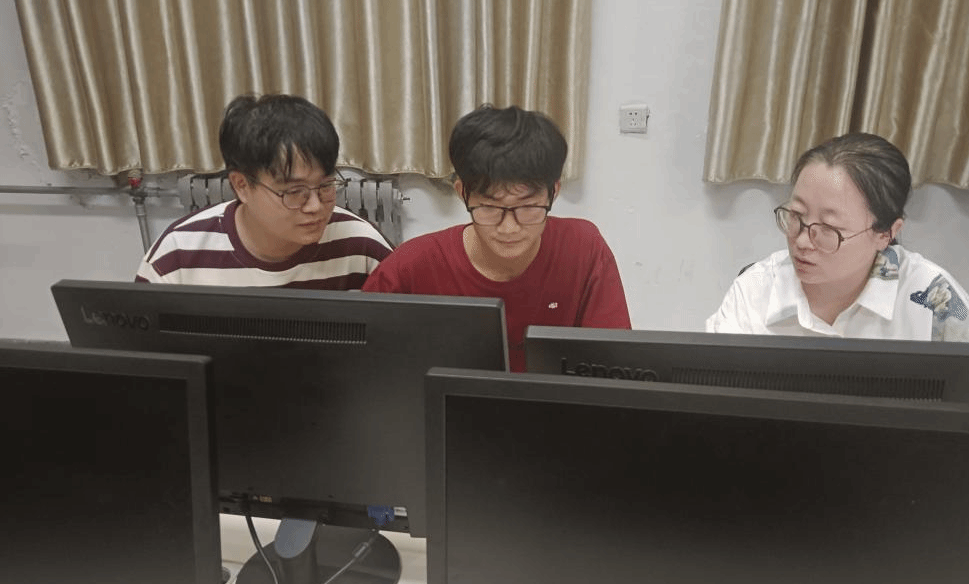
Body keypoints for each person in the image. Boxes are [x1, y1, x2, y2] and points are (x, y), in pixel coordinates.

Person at [361, 104, 631, 371]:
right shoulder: (411, 266)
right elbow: (363, 363)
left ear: (554, 192)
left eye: (528, 207)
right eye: (490, 208)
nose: (509, 228)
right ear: (462, 193)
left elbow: (613, 366)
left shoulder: (583, 249)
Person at [706, 132, 969, 342]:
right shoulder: (755, 290)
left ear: (886, 234)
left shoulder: (931, 297)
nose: (803, 242)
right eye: (796, 216)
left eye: (829, 230)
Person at [136, 93, 392, 287]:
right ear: (242, 186)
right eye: (294, 192)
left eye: (325, 185)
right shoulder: (177, 257)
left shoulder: (362, 246)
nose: (315, 206)